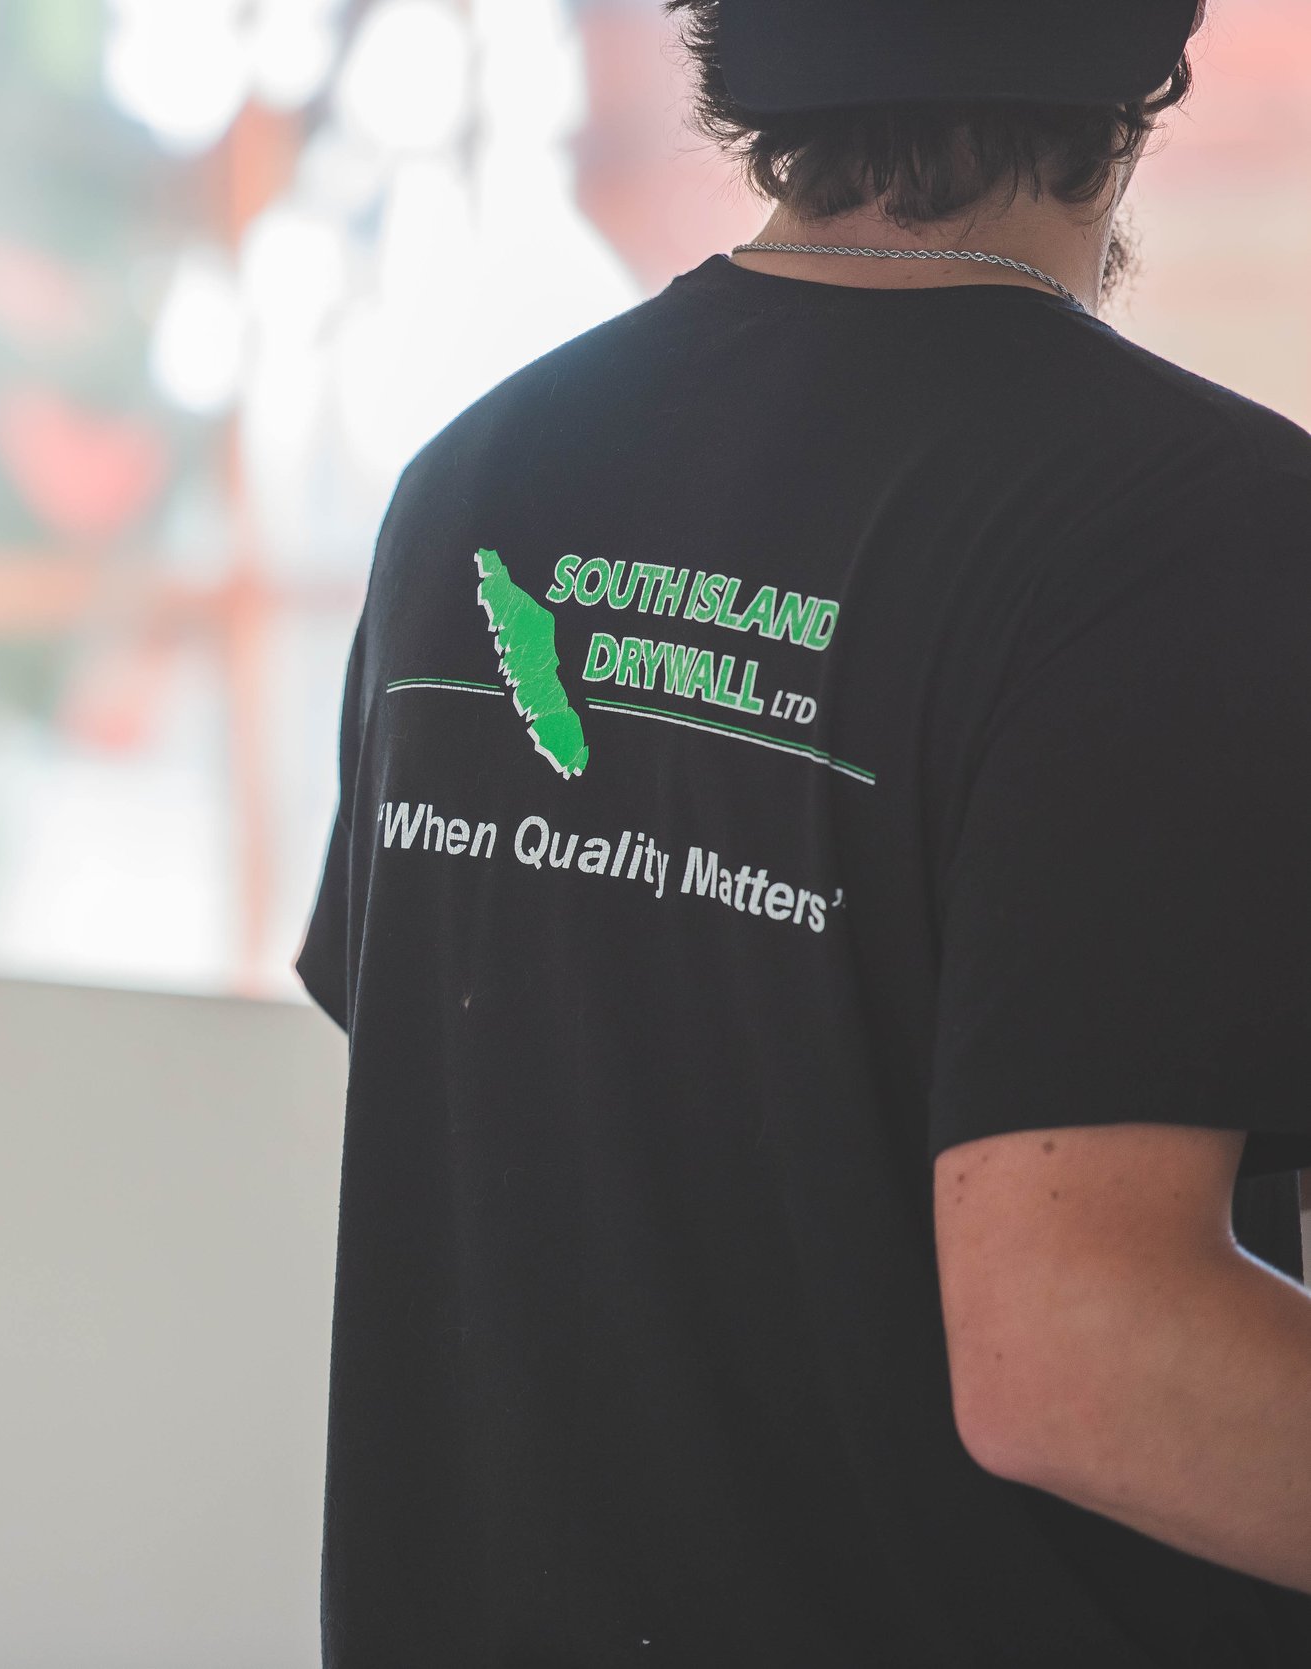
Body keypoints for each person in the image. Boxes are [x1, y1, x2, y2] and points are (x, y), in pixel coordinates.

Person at [298, 0, 1311, 1661]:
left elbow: (508, 1073)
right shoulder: (1187, 530)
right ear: (1146, 65)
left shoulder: (478, 484)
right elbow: (1080, 1357)